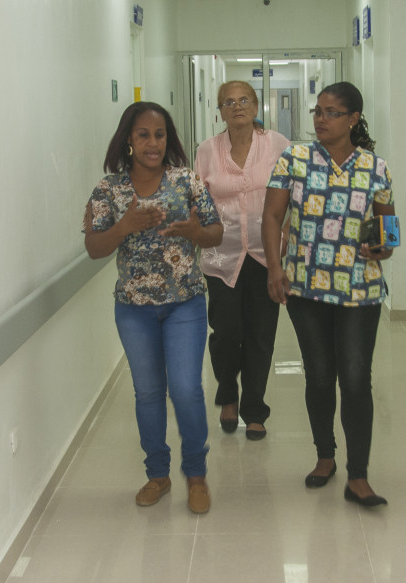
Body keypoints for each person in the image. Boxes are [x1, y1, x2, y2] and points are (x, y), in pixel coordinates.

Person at [83, 101, 224, 513]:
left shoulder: (187, 180)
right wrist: (124, 227)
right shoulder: (109, 190)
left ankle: (196, 475)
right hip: (134, 308)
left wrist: (197, 232)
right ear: (128, 140)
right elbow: (94, 247)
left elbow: (216, 232)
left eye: (159, 135)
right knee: (147, 393)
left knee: (186, 389)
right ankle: (157, 475)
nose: (153, 143)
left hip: (185, 303)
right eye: (143, 135)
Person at [261, 81, 395, 507]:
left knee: (355, 378)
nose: (320, 119)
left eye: (331, 112)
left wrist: (384, 246)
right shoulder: (294, 159)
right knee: (319, 375)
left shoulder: (375, 167)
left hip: (359, 288)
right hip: (306, 287)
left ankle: (359, 475)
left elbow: (387, 228)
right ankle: (325, 456)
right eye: (317, 111)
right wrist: (275, 267)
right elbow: (272, 216)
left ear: (353, 119)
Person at [192, 81, 291, 441]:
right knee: (225, 334)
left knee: (260, 335)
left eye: (244, 100)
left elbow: (296, 193)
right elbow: (198, 200)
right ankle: (227, 394)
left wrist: (287, 236)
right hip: (222, 257)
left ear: (256, 105)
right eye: (229, 102)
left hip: (266, 256)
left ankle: (254, 409)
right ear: (220, 111)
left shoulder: (277, 145)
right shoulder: (207, 150)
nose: (237, 107)